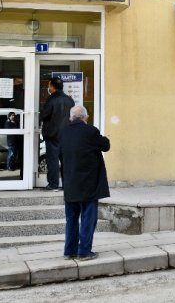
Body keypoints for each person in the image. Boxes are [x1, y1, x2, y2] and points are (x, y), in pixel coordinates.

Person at [59, 105, 110, 261]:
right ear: (84, 117)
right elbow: (105, 146)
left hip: (70, 182)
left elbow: (60, 155)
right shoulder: (91, 131)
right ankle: (84, 251)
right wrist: (106, 137)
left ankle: (69, 251)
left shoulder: (63, 132)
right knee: (88, 218)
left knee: (71, 218)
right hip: (88, 183)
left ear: (71, 118)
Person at [39, 77, 75, 191]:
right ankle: (67, 185)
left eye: (49, 86)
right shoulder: (70, 100)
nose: (48, 88)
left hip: (53, 135)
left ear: (53, 87)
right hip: (67, 135)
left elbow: (44, 115)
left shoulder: (51, 99)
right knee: (66, 161)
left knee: (53, 161)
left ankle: (53, 185)